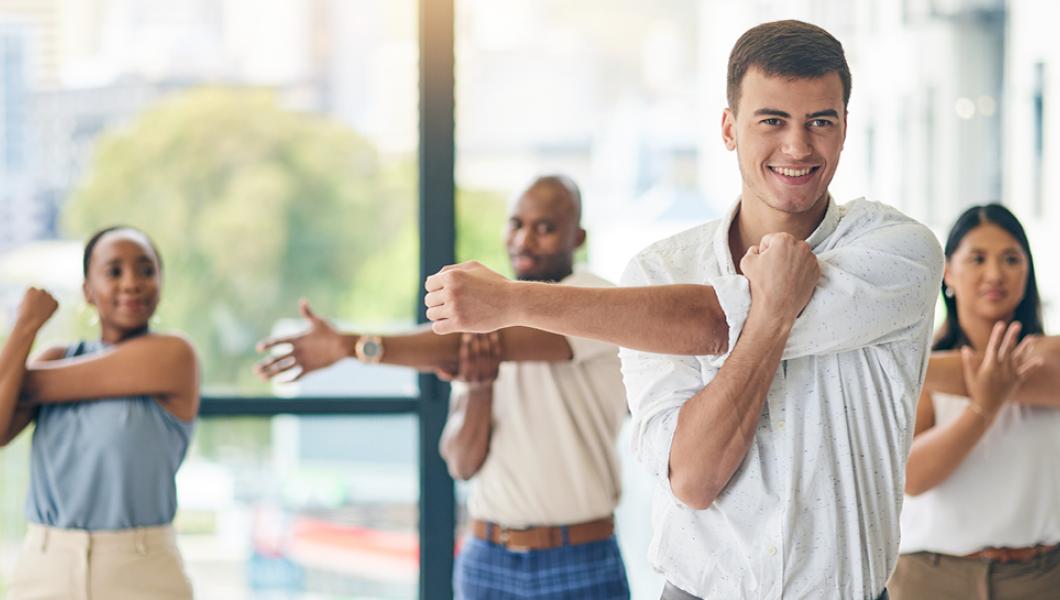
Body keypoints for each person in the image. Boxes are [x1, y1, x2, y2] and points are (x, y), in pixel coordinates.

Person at [423, 20, 944, 600]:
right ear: (728, 128)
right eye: (772, 120)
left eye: (820, 121)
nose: (797, 147)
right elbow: (694, 479)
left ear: (844, 129)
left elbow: (710, 321)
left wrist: (514, 300)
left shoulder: (897, 251)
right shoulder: (659, 273)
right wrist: (772, 315)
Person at [256, 175, 631, 599]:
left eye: (544, 228)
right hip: (487, 557)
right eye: (515, 224)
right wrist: (479, 387)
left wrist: (347, 345)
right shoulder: (487, 321)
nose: (524, 240)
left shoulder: (594, 298)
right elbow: (462, 463)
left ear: (577, 235)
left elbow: (457, 348)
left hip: (578, 558)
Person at [0, 226, 199, 600]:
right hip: (44, 566)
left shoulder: (173, 356)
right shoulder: (57, 357)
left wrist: (18, 383)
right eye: (114, 271)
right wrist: (24, 326)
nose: (132, 283)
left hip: (141, 569)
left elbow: (24, 388)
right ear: (88, 291)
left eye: (146, 270)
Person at [890, 204, 1060, 599]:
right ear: (948, 271)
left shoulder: (1048, 356)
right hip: (932, 577)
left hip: (1040, 578)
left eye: (1011, 259)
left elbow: (1017, 371)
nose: (995, 274)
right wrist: (982, 409)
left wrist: (903, 363)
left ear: (1028, 271)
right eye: (978, 258)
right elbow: (912, 478)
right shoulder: (922, 366)